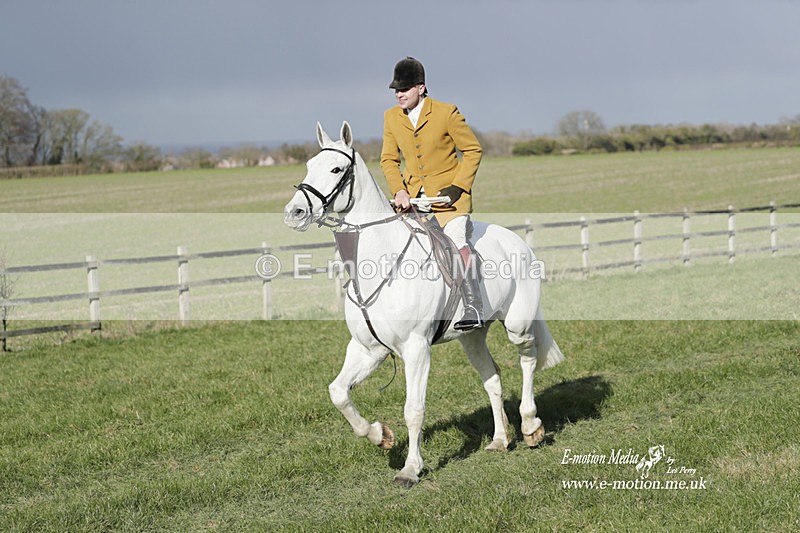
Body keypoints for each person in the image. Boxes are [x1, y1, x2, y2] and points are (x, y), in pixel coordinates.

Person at [380, 56, 484, 331]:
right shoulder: (391, 117)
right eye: (396, 89)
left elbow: (473, 150)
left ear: (421, 88)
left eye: (404, 88)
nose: (399, 94)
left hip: (451, 200)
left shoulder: (446, 112)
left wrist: (458, 186)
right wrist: (399, 190)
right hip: (413, 199)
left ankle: (473, 305)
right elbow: (389, 160)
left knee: (455, 240)